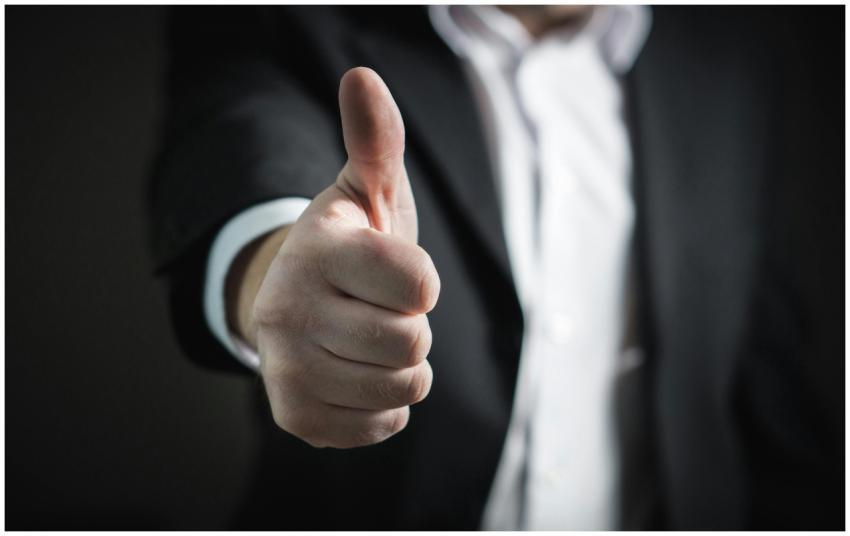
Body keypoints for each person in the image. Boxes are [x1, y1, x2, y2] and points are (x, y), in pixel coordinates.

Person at [149, 5, 843, 530]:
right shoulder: (286, 17)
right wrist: (280, 282)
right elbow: (243, 153)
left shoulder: (735, 46)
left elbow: (766, 383)